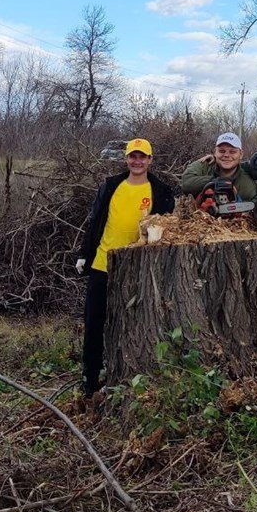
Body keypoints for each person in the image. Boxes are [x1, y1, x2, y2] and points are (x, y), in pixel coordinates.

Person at [75, 139, 174, 394]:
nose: (137, 161)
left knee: (134, 321)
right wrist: (84, 254)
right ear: (126, 159)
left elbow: (166, 227)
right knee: (95, 321)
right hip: (103, 263)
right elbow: (95, 219)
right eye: (133, 156)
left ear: (150, 160)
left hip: (139, 268)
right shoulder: (111, 186)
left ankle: (133, 374)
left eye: (143, 157)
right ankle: (91, 376)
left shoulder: (161, 190)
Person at [179, 131, 257, 212]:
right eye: (221, 151)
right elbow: (186, 183)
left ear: (241, 154)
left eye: (232, 152)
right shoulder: (204, 164)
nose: (226, 155)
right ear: (215, 152)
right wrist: (215, 182)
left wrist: (244, 214)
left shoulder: (247, 183)